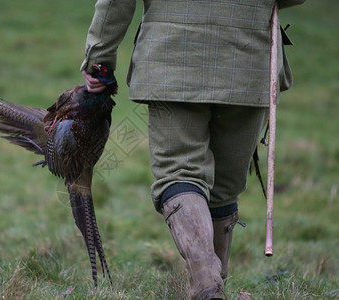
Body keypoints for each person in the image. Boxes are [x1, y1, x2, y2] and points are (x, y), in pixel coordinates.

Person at [81, 0, 305, 298]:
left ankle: (206, 280)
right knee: (225, 188)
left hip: (172, 59)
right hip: (249, 63)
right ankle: (211, 284)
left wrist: (99, 60)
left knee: (179, 173)